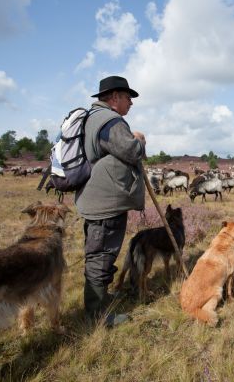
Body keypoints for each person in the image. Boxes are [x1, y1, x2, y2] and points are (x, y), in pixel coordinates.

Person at [75, 75, 146, 326]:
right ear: (114, 97)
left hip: (98, 200)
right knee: (101, 256)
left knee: (100, 253)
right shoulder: (111, 120)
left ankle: (101, 299)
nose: (131, 103)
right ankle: (98, 316)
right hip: (105, 204)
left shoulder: (92, 118)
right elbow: (131, 152)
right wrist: (139, 139)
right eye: (128, 97)